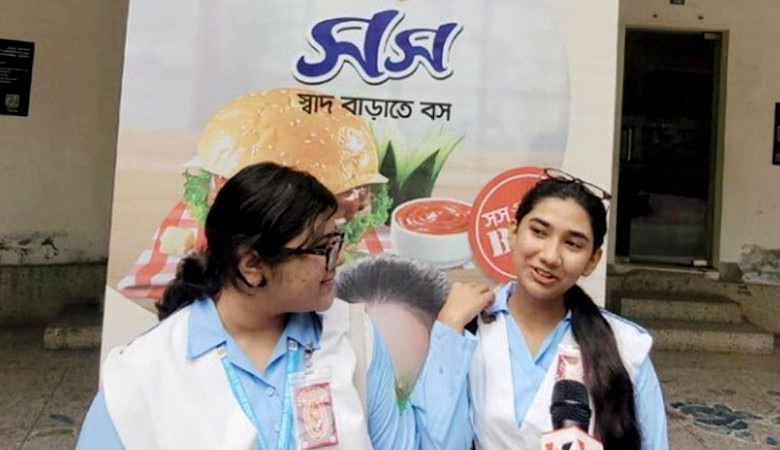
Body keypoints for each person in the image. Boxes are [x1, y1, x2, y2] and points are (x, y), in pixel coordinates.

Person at [76, 162, 481, 449]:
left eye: (337, 241)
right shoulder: (143, 372)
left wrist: (447, 332)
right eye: (322, 248)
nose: (339, 258)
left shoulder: (353, 337)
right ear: (252, 265)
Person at [431, 168, 669, 449]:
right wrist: (448, 327)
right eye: (539, 232)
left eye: (572, 244)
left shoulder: (626, 346)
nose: (550, 256)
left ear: (592, 261)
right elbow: (437, 438)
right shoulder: (468, 328)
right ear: (513, 233)